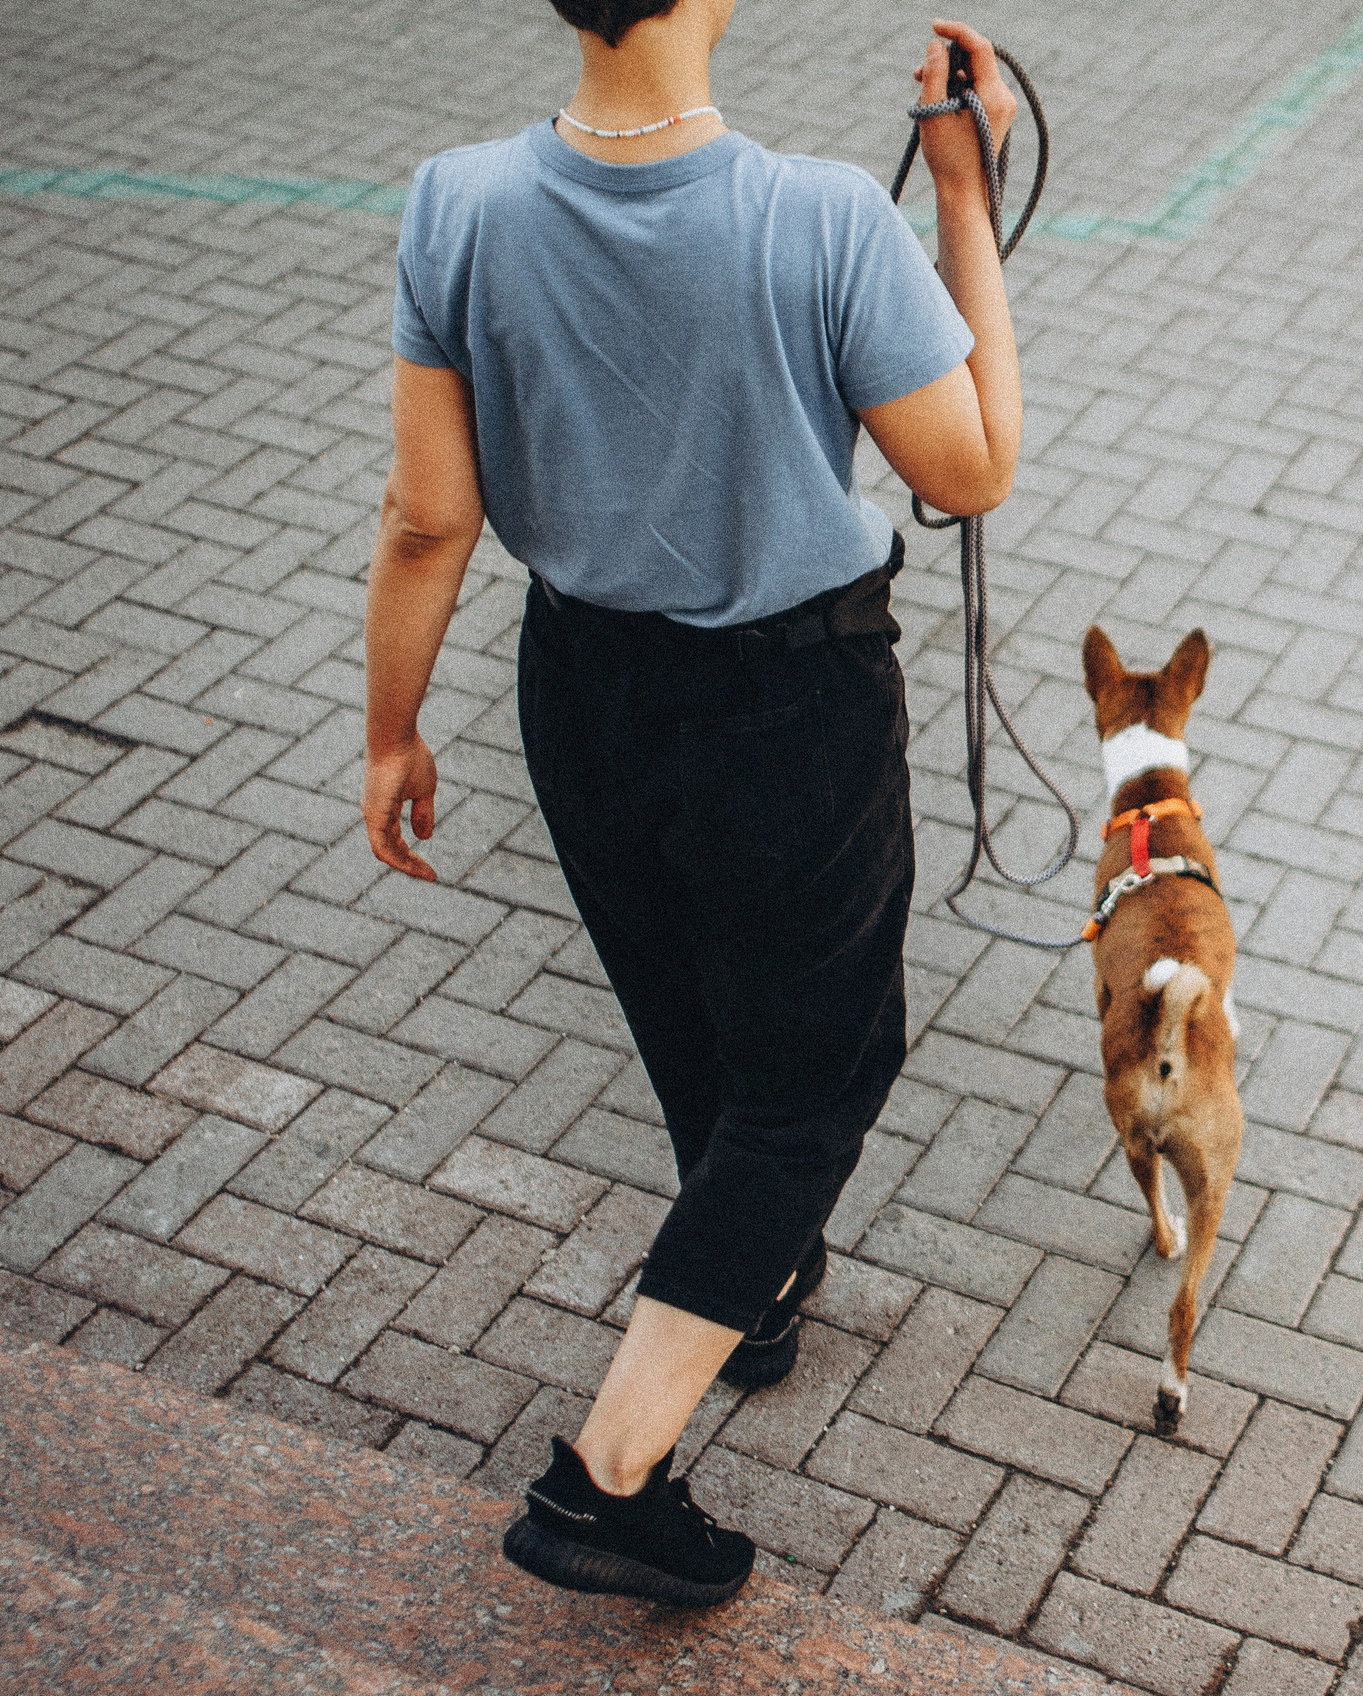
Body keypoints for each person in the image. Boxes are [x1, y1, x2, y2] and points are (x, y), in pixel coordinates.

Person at [361, 0, 1020, 1606]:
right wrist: (962, 198)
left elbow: (429, 518)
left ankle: (760, 1282)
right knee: (818, 1073)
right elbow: (973, 468)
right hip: (789, 706)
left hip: (581, 689)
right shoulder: (820, 220)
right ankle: (606, 1477)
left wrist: (390, 731)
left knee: (689, 1018)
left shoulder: (458, 202)